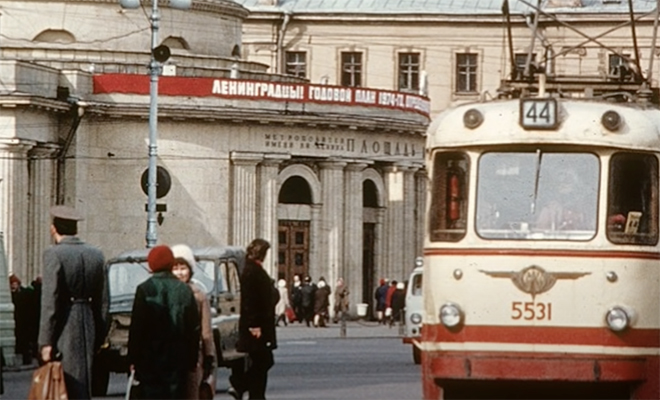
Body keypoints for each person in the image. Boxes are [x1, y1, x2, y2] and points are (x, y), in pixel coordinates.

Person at [38, 205, 107, 400]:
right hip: (88, 323)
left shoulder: (54, 254)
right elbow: (103, 301)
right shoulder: (96, 254)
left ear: (53, 229)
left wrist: (45, 342)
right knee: (84, 381)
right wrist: (100, 334)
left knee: (66, 384)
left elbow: (50, 301)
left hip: (65, 324)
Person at [128, 245, 200, 400]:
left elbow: (137, 328)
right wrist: (192, 359)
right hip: (177, 357)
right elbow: (193, 328)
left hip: (150, 358)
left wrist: (133, 357)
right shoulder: (185, 290)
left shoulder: (144, 289)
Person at [230, 238, 277, 400]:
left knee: (262, 361)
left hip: (260, 324)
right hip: (257, 327)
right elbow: (250, 301)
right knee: (263, 361)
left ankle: (253, 392)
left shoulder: (253, 269)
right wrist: (254, 325)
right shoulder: (251, 271)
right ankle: (241, 385)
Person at [171, 244, 216, 400]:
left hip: (194, 357)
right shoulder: (166, 292)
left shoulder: (199, 295)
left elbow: (206, 330)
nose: (179, 272)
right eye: (175, 268)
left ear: (190, 270)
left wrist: (209, 356)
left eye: (183, 267)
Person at [9, 274, 35, 365]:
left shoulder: (23, 294)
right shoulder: (17, 294)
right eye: (12, 284)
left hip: (23, 321)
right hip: (19, 320)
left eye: (15, 283)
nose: (14, 285)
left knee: (24, 342)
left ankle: (26, 359)